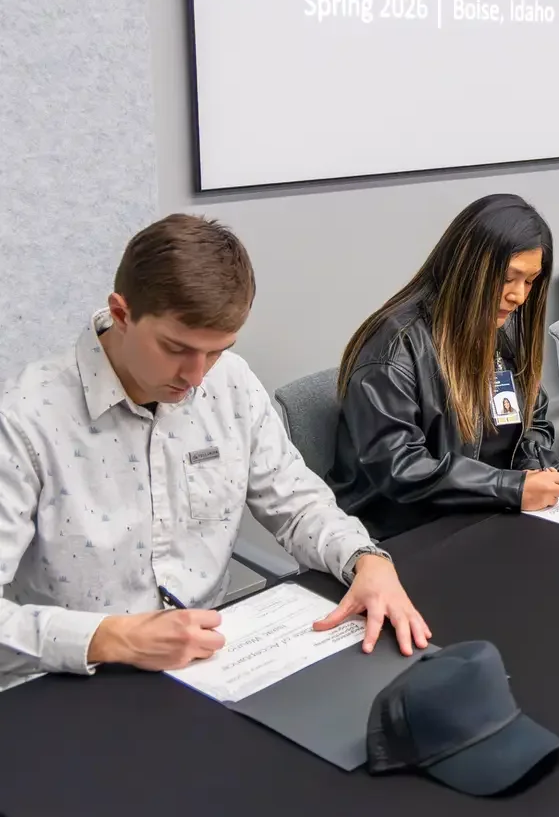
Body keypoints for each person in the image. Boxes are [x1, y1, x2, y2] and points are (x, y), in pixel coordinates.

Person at [0, 215, 429, 691]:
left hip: (210, 669)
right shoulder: (24, 421)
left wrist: (365, 559)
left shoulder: (232, 384)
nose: (197, 377)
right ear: (121, 314)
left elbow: (296, 504)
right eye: (176, 348)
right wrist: (107, 638)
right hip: (71, 682)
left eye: (217, 351)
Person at [329, 194, 559, 540]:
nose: (519, 296)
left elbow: (533, 417)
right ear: (470, 266)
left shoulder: (492, 331)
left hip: (482, 518)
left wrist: (530, 472)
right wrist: (510, 488)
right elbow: (401, 468)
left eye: (529, 281)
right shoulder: (395, 349)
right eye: (509, 278)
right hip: (403, 537)